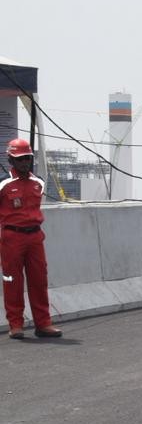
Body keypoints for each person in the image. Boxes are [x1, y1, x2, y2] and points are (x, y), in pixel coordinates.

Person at [1, 138, 62, 339]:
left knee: (39, 280)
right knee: (12, 281)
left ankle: (43, 324)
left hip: (35, 237)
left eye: (27, 158)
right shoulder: (3, 184)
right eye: (20, 159)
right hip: (11, 237)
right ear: (11, 160)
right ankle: (16, 325)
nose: (24, 162)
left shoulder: (39, 182)